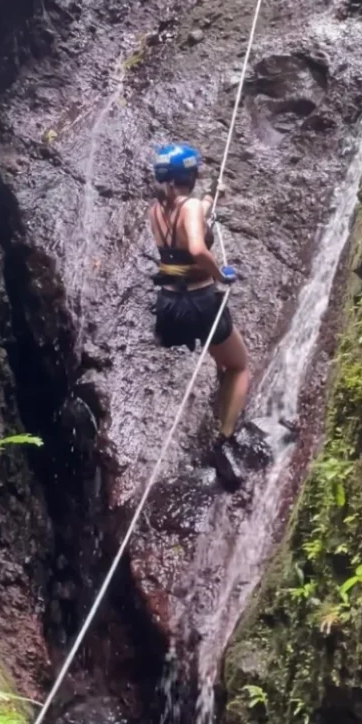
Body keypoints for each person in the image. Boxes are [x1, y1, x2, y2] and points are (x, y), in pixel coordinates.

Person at [148, 142, 252, 490]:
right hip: (200, 302)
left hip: (168, 306)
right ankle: (223, 441)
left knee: (222, 359)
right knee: (239, 367)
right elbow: (195, 248)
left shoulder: (156, 211)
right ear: (189, 175)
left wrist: (210, 202)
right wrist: (221, 274)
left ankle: (220, 409)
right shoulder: (189, 207)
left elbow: (187, 225)